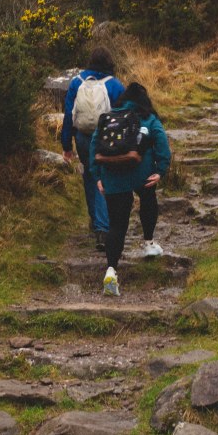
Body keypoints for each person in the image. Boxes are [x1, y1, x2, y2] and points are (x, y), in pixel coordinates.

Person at [89, 81, 171, 297]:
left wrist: (97, 176)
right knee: (148, 198)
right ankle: (149, 243)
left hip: (113, 177)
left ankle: (111, 270)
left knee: (117, 225)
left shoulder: (108, 118)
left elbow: (94, 146)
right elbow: (162, 144)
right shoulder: (149, 118)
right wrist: (161, 170)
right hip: (141, 174)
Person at [61, 47, 125, 250]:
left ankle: (95, 221)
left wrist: (66, 145)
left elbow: (69, 115)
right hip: (107, 137)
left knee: (90, 176)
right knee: (104, 177)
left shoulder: (77, 82)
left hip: (82, 137)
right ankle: (103, 229)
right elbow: (124, 115)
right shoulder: (115, 85)